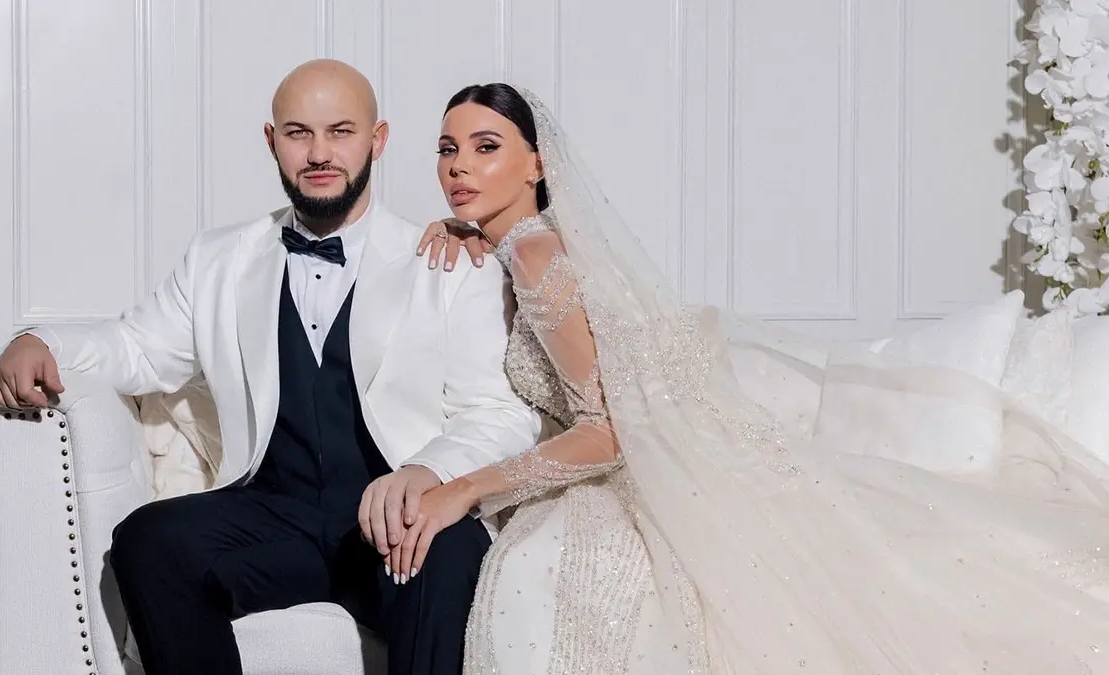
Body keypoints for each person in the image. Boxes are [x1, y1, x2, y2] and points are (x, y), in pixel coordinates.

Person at [390, 82, 1109, 674]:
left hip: (641, 457)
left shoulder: (535, 257)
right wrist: (465, 230)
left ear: (536, 164)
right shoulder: (528, 243)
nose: (459, 168)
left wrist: (468, 487)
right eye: (448, 150)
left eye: (486, 147)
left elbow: (607, 430)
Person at [0, 61, 540, 675]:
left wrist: (426, 470)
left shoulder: (450, 263)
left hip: (394, 517)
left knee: (450, 550)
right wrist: (42, 341)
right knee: (149, 541)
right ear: (272, 141)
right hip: (274, 511)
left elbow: (499, 413)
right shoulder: (218, 260)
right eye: (299, 133)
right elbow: (137, 346)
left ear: (377, 141)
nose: (319, 153)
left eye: (341, 132)